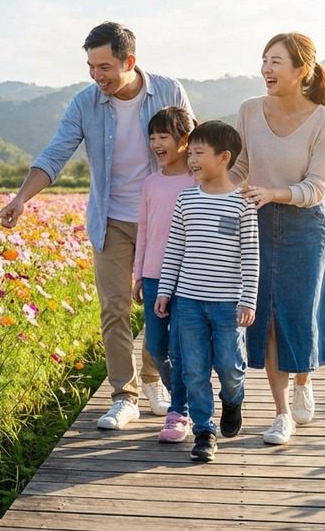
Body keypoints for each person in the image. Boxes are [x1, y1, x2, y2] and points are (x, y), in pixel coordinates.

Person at [0, 21, 195, 430]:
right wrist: (20, 198)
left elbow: (194, 146)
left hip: (165, 221)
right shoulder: (85, 104)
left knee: (164, 306)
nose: (97, 75)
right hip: (111, 220)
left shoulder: (169, 92)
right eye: (91, 66)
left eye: (105, 66)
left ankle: (156, 379)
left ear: (129, 61)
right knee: (114, 309)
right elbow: (55, 152)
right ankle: (124, 395)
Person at [230, 32, 325, 446]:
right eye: (263, 60)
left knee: (300, 312)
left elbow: (317, 186)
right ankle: (280, 415)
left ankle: (303, 380)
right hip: (256, 221)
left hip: (303, 226)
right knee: (269, 317)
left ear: (301, 71)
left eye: (276, 61)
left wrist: (274, 192)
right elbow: (240, 166)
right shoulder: (248, 110)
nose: (266, 69)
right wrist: (214, 184)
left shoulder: (323, 121)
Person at [155, 120, 258, 462]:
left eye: (199, 152)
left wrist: (248, 299)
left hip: (228, 303)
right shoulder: (186, 200)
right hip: (188, 303)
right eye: (191, 153)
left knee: (229, 368)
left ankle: (233, 399)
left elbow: (250, 256)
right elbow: (175, 251)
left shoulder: (242, 203)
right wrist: (165, 291)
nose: (192, 159)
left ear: (224, 157)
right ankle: (204, 431)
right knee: (194, 370)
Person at [131, 106, 196, 443]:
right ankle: (189, 397)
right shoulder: (151, 183)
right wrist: (139, 274)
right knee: (156, 347)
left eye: (163, 137)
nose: (156, 143)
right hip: (155, 274)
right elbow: (144, 231)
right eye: (152, 137)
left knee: (182, 346)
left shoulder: (199, 181)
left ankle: (180, 411)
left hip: (190, 277)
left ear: (184, 140)